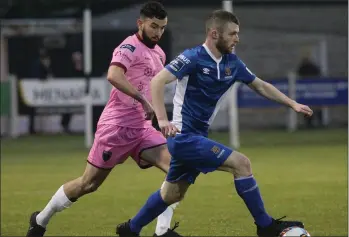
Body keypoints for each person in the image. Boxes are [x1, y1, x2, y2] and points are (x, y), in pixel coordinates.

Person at [116, 10, 313, 237]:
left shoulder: (232, 62)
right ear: (214, 33)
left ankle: (130, 229)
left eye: (238, 34)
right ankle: (265, 226)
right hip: (184, 137)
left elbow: (260, 85)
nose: (237, 39)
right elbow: (158, 81)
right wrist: (161, 120)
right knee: (242, 164)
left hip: (197, 137)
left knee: (172, 194)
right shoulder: (192, 57)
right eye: (233, 34)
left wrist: (292, 104)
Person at [26, 2, 182, 237]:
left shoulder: (159, 52)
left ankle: (162, 231)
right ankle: (40, 220)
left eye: (162, 27)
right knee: (88, 184)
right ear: (140, 23)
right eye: (153, 26)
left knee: (177, 171)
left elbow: (156, 84)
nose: (158, 32)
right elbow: (114, 74)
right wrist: (141, 99)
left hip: (141, 129)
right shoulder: (129, 46)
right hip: (116, 127)